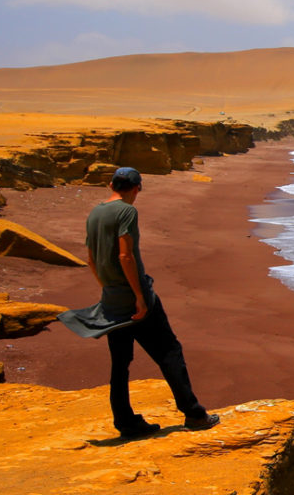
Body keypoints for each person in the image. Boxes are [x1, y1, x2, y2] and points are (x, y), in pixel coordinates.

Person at [59, 166, 219, 438]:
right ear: (137, 188)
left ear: (111, 185)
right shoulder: (127, 211)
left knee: (120, 363)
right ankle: (193, 414)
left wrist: (108, 288)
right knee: (169, 352)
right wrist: (139, 298)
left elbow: (91, 258)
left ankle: (125, 423)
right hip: (133, 299)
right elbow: (125, 256)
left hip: (111, 298)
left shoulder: (95, 212)